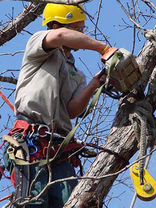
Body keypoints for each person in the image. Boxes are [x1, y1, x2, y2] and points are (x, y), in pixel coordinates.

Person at [5, 3, 114, 208]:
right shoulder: (39, 45)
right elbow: (59, 37)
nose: (81, 34)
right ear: (57, 25)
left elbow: (73, 110)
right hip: (31, 141)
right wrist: (104, 49)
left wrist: (95, 83)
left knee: (72, 202)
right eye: (77, 29)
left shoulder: (76, 74)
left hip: (60, 149)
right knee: (33, 203)